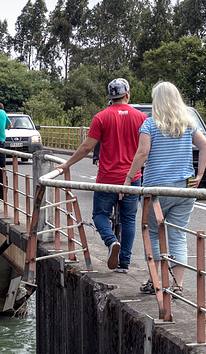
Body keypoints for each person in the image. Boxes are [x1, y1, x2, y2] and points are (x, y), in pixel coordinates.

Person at [124, 81, 206, 296]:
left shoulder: (150, 125)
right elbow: (205, 145)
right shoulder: (187, 124)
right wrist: (199, 175)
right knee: (177, 235)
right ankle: (177, 285)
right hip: (184, 188)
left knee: (153, 232)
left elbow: (142, 153)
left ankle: (157, 281)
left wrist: (128, 178)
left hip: (157, 189)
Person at [54, 78, 147, 271]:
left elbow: (88, 146)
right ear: (127, 95)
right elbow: (146, 149)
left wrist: (67, 164)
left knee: (100, 215)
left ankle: (111, 241)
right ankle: (124, 263)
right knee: (129, 219)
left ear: (110, 97)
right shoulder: (141, 118)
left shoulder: (101, 117)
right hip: (132, 178)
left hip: (107, 178)